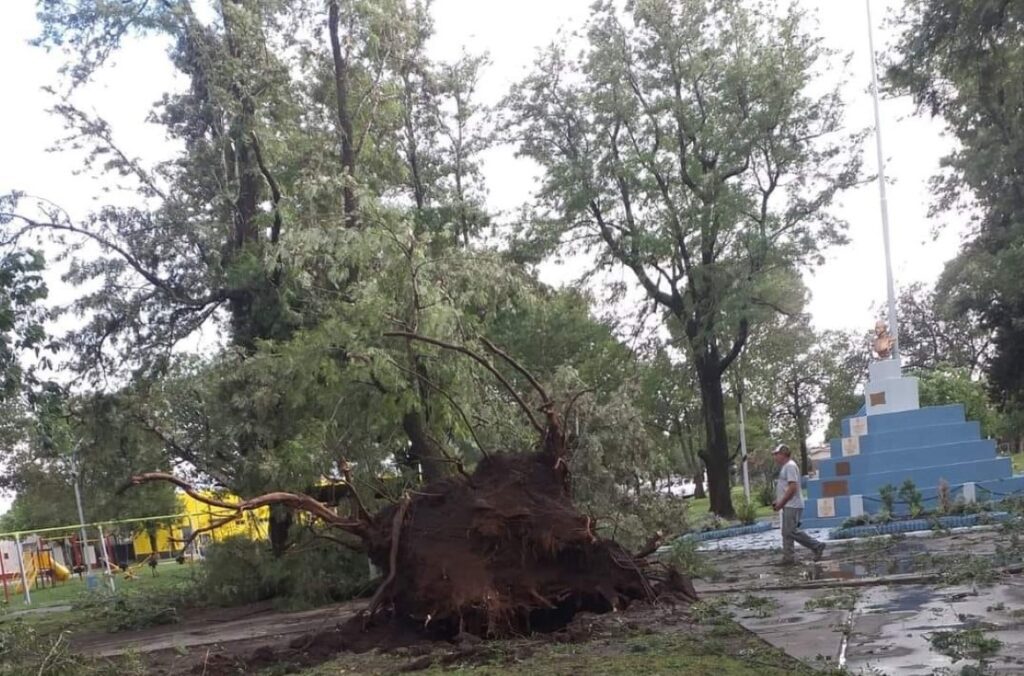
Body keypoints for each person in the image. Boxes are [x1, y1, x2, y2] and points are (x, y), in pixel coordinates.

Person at [771, 444, 825, 565]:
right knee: (786, 532)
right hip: (789, 504)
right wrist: (778, 501)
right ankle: (788, 557)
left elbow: (792, 488)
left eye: (776, 454)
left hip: (792, 504)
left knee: (790, 531)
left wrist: (781, 503)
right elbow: (786, 488)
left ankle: (816, 545)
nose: (775, 457)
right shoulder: (786, 467)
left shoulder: (790, 466)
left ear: (783, 454)